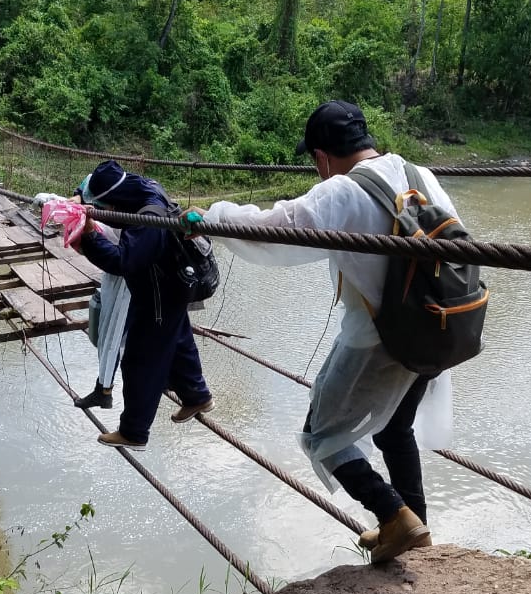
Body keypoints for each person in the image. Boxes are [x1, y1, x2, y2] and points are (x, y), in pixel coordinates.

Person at [190, 100, 460, 564]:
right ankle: (412, 527)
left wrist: (209, 217)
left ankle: (395, 515)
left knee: (320, 434)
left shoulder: (341, 193)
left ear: (321, 157)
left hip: (380, 338)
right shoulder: (419, 174)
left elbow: (273, 229)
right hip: (437, 329)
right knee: (395, 428)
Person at [72, 160, 213, 451]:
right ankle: (197, 396)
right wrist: (78, 198)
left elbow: (124, 261)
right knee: (178, 342)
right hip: (169, 286)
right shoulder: (139, 187)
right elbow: (95, 188)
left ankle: (134, 432)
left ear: (117, 199)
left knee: (140, 359)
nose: (104, 211)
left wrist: (89, 238)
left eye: (105, 207)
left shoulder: (148, 219)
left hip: (160, 292)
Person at [72, 174, 131, 410]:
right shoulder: (108, 192)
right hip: (119, 275)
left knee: (113, 334)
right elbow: (84, 186)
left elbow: (118, 260)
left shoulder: (131, 211)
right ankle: (104, 388)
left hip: (129, 278)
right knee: (112, 332)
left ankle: (105, 390)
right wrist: (75, 200)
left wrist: (90, 232)